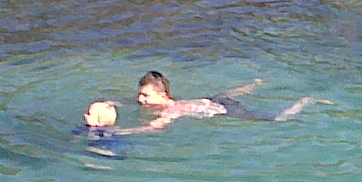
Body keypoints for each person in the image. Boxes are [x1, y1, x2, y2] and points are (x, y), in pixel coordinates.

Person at [115, 71, 324, 134]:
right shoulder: (158, 103)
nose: (140, 100)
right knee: (225, 93)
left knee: (278, 119)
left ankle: (306, 101)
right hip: (211, 101)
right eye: (140, 95)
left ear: (163, 96)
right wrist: (111, 102)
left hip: (224, 111)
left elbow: (153, 128)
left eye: (146, 96)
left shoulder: (171, 110)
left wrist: (120, 132)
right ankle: (256, 83)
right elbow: (129, 102)